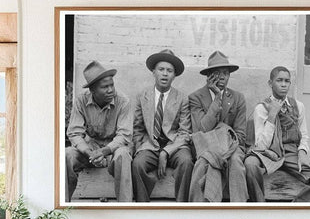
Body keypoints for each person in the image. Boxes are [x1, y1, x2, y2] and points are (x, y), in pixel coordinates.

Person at [244, 66, 310, 202]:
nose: (284, 84)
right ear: (270, 83)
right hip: (267, 153)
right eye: (279, 80)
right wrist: (272, 115)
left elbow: (304, 135)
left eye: (287, 81)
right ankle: (259, 206)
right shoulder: (261, 108)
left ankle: (297, 206)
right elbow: (261, 144)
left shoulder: (298, 106)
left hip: (291, 153)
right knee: (250, 164)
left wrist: (302, 152)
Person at [66, 61, 133, 202]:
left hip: (114, 149)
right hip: (90, 149)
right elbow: (74, 133)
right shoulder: (81, 101)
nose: (111, 90)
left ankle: (125, 207)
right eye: (105, 87)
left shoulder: (123, 101)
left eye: (112, 85)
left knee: (123, 155)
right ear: (92, 90)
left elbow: (124, 135)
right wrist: (89, 153)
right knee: (68, 154)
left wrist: (104, 152)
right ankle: (63, 207)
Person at [132, 49, 193, 202]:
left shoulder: (182, 98)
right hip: (150, 144)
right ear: (154, 72)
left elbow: (185, 132)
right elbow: (137, 128)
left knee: (186, 162)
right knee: (138, 164)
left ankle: (182, 206)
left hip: (175, 145)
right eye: (161, 69)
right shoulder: (143, 96)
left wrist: (166, 152)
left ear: (174, 75)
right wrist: (139, 148)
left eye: (169, 71)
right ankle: (142, 206)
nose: (165, 74)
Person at [188, 51, 248, 202]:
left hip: (233, 147)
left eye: (226, 73)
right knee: (203, 163)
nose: (222, 77)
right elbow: (201, 130)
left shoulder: (238, 98)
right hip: (206, 147)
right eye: (217, 73)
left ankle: (239, 210)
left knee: (235, 162)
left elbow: (240, 135)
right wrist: (216, 99)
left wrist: (224, 144)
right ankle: (199, 211)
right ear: (208, 76)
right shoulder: (196, 97)